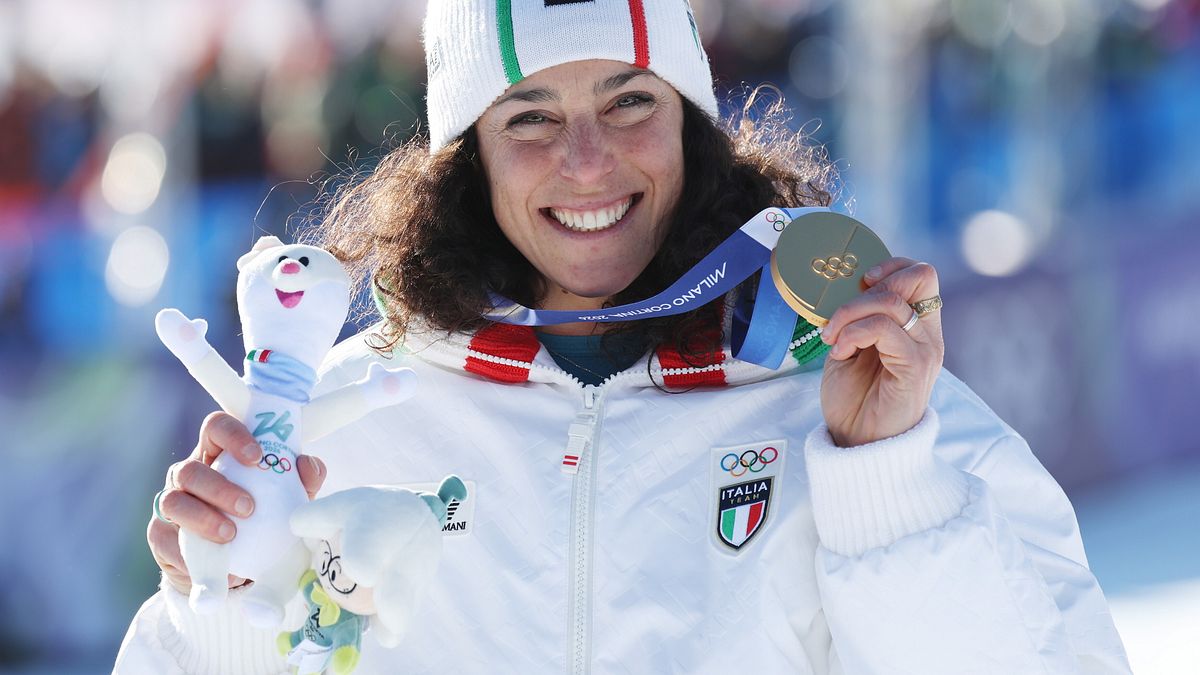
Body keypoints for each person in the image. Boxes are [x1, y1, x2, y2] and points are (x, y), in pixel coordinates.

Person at [115, 2, 1131, 673]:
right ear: (464, 158)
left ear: (694, 123)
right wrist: (221, 597)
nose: (588, 160)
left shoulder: (849, 383)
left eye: (630, 100)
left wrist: (888, 481)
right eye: (529, 117)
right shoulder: (359, 414)